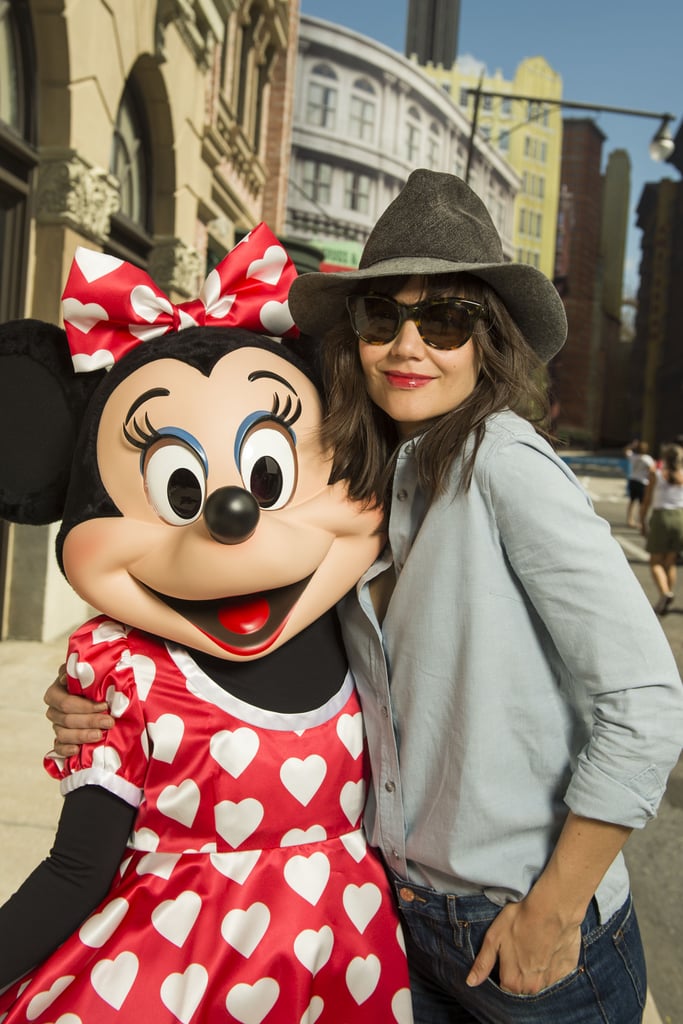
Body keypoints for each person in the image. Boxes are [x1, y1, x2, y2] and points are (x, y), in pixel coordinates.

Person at [45, 171, 683, 1024]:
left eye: (444, 320)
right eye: (383, 318)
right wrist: (99, 692)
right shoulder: (362, 478)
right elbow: (258, 638)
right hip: (405, 925)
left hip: (526, 930)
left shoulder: (500, 462)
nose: (407, 346)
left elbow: (644, 701)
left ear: (485, 340)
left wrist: (554, 912)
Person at [0, 229, 412, 1021]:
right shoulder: (123, 672)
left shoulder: (359, 617)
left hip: (344, 967)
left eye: (266, 476)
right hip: (183, 977)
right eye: (182, 488)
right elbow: (75, 869)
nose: (232, 514)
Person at [640, 442, 683, 614]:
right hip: (680, 517)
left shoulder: (656, 473)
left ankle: (665, 593)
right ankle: (666, 597)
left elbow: (647, 500)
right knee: (670, 562)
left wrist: (642, 520)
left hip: (661, 518)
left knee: (655, 562)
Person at [624, 440, 655, 527]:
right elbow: (652, 470)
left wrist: (631, 445)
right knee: (642, 503)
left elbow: (626, 451)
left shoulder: (633, 457)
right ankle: (640, 521)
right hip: (642, 482)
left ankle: (629, 519)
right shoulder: (648, 459)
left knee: (632, 501)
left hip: (633, 480)